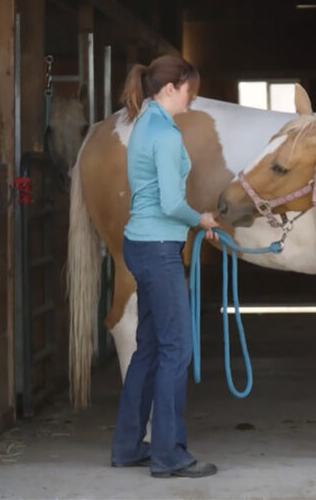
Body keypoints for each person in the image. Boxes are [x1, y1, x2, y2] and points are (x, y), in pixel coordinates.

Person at [110, 55, 219, 479]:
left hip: (140, 242)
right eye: (190, 89)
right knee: (177, 350)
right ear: (171, 88)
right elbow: (173, 204)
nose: (192, 99)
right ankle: (169, 455)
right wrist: (202, 220)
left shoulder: (143, 124)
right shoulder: (167, 135)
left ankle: (127, 446)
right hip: (159, 248)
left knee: (151, 348)